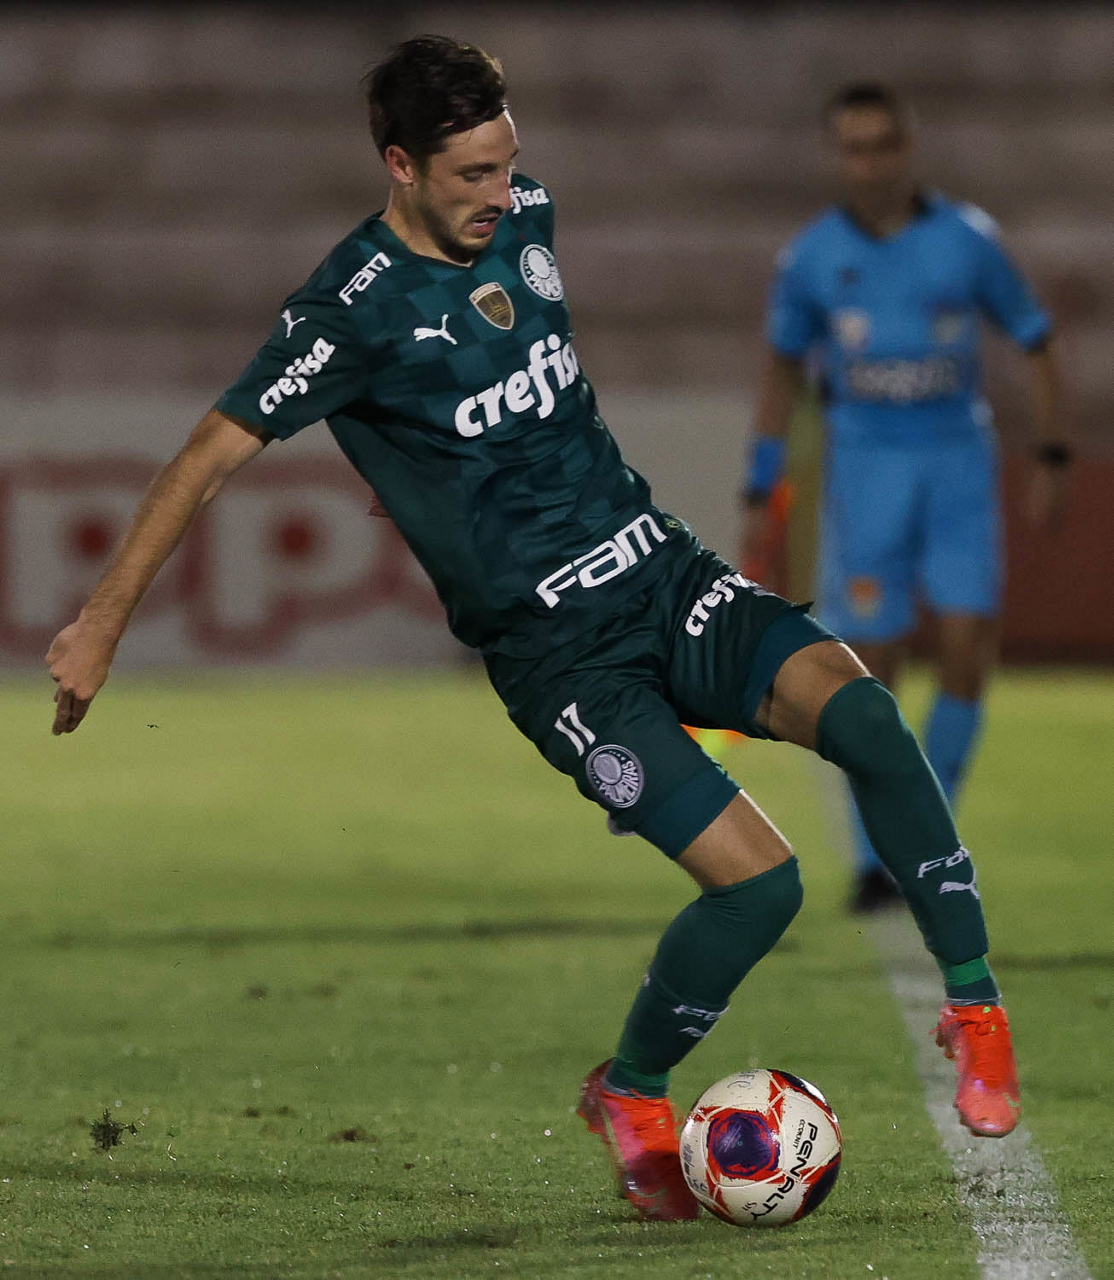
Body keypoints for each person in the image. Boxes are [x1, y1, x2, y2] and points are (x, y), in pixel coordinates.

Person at [46, 40, 1021, 1223]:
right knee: (760, 889)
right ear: (399, 165)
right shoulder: (347, 312)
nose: (500, 193)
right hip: (564, 658)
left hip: (660, 572)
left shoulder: (526, 216)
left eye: (508, 164)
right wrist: (103, 620)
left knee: (865, 715)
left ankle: (976, 1012)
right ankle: (633, 1088)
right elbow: (208, 454)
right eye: (471, 174)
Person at [741, 83, 1071, 913]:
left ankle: (925, 840)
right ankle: (870, 860)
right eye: (854, 148)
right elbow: (782, 371)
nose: (870, 164)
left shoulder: (966, 241)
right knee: (870, 671)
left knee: (966, 651)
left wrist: (1052, 451)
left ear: (907, 147)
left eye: (883, 145)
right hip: (866, 476)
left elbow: (1034, 338)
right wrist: (761, 480)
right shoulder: (812, 257)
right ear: (838, 155)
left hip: (957, 468)